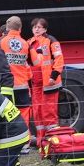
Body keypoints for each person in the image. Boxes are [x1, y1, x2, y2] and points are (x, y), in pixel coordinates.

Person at [27, 18, 64, 149]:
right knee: (37, 113)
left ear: (45, 29)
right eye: (34, 27)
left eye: (39, 27)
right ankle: (41, 143)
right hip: (35, 83)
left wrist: (54, 75)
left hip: (49, 83)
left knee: (49, 113)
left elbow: (59, 59)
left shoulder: (51, 41)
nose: (36, 29)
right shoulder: (29, 43)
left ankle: (53, 143)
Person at [0, 16, 33, 152]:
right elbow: (33, 63)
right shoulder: (25, 43)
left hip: (7, 86)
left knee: (7, 115)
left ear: (7, 28)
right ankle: (25, 145)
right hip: (23, 86)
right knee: (24, 115)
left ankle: (11, 144)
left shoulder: (1, 42)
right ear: (20, 28)